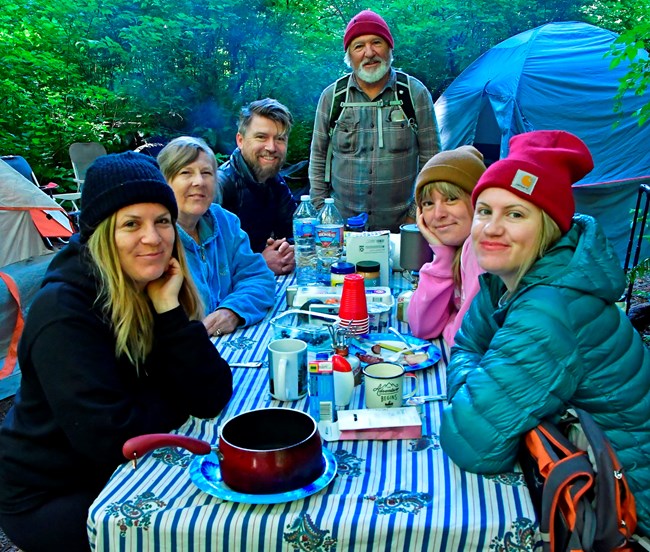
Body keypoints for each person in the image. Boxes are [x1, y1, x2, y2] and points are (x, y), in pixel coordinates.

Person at [0, 152, 233, 551]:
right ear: (102, 233)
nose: (153, 238)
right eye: (131, 224)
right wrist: (175, 400)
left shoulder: (153, 286)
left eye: (162, 221)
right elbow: (113, 439)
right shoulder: (64, 313)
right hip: (49, 493)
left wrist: (170, 314)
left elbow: (211, 395)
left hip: (111, 467)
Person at [439, 130, 650, 535]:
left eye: (515, 214)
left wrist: (476, 386)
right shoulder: (509, 277)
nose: (491, 229)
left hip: (631, 499)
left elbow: (471, 441)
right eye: (484, 211)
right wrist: (482, 382)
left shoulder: (551, 307)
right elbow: (465, 343)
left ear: (549, 226)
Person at [309, 9, 440, 233]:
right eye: (359, 46)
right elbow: (318, 159)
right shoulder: (332, 98)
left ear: (389, 48)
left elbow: (432, 160)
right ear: (349, 56)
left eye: (376, 42)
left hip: (402, 228)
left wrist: (415, 214)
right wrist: (323, 212)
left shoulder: (413, 94)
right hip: (342, 227)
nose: (369, 53)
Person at [158, 136, 275, 336]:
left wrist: (232, 311)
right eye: (186, 173)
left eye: (206, 173)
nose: (199, 182)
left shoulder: (224, 221)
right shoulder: (155, 238)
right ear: (164, 181)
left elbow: (258, 276)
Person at [407, 146, 486, 347]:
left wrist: (448, 324)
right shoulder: (459, 249)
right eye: (428, 203)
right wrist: (443, 256)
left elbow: (464, 341)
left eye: (451, 199)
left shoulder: (479, 249)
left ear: (478, 203)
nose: (438, 214)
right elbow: (422, 327)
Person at [218, 98, 297, 276]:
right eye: (261, 137)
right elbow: (203, 261)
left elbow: (296, 231)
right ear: (240, 140)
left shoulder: (274, 182)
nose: (271, 147)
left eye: (280, 139)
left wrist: (286, 249)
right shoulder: (220, 186)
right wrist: (259, 262)